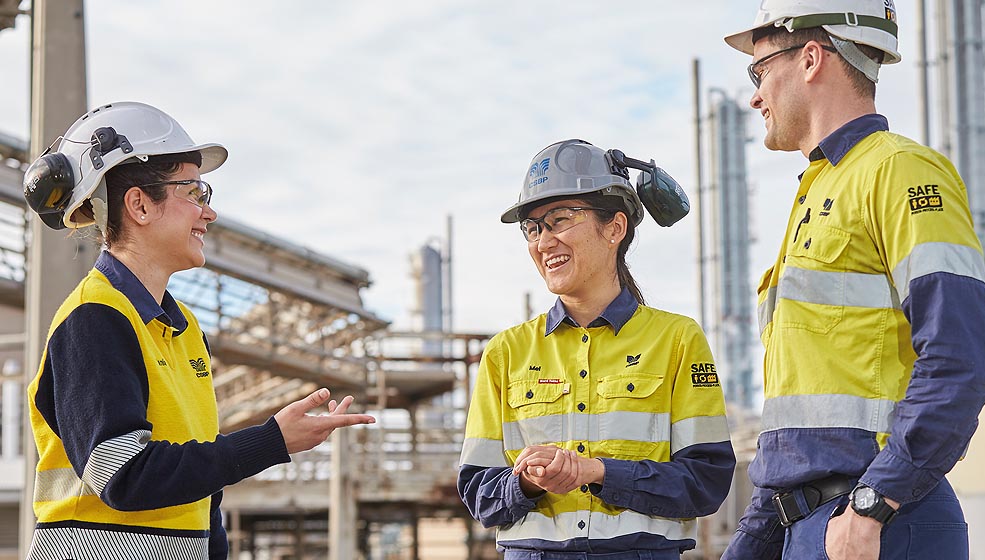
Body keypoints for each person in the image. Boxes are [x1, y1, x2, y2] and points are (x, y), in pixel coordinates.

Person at [22, 101, 375, 560]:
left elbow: (201, 493)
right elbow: (123, 474)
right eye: (194, 192)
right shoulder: (94, 318)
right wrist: (270, 441)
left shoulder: (184, 329)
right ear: (139, 205)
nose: (208, 213)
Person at [720, 1, 985, 559]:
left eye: (759, 71)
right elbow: (799, 426)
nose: (754, 95)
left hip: (878, 525)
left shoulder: (899, 170)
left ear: (809, 58)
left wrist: (876, 502)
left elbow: (961, 357)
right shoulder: (820, 188)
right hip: (815, 524)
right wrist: (753, 540)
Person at [457, 140, 735, 559]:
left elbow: (704, 481)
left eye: (559, 220)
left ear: (614, 228)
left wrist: (600, 472)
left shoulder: (677, 339)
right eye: (532, 228)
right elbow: (479, 491)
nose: (543, 241)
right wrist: (529, 481)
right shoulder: (506, 352)